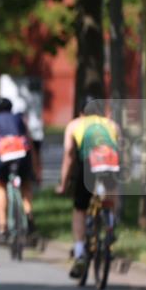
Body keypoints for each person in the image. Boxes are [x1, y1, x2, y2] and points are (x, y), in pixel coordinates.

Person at [55, 97, 122, 279]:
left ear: (81, 112)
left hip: (89, 166)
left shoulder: (75, 124)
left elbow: (69, 155)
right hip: (110, 164)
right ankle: (110, 223)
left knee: (80, 209)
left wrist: (64, 183)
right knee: (111, 193)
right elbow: (120, 149)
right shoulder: (112, 125)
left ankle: (79, 253)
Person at [0, 98, 38, 241]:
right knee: (25, 185)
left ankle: (2, 225)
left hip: (3, 158)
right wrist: (35, 168)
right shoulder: (20, 118)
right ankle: (29, 215)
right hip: (23, 156)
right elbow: (30, 143)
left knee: (0, 186)